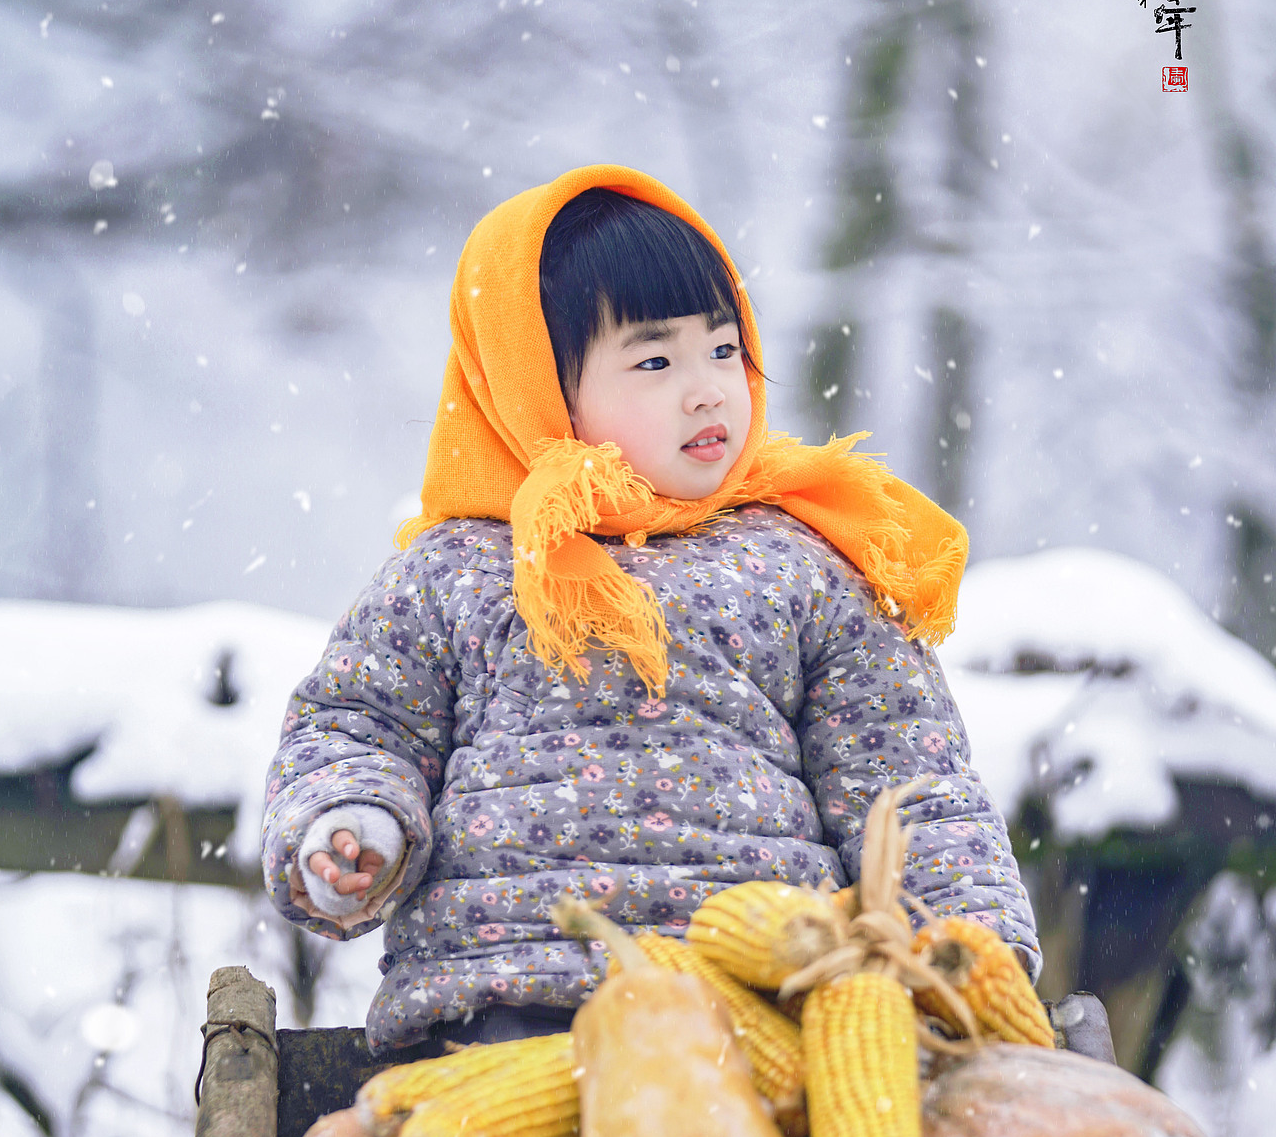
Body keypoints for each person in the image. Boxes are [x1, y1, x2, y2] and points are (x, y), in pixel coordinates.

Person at [262, 164, 1040, 1054]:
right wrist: (355, 825)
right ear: (540, 388)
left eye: (723, 349)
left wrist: (971, 947)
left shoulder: (804, 562)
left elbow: (909, 782)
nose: (708, 388)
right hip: (512, 1003)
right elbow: (358, 726)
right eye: (656, 360)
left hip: (765, 1005)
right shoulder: (458, 570)